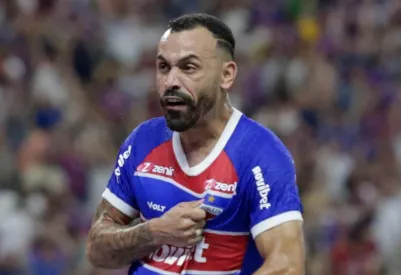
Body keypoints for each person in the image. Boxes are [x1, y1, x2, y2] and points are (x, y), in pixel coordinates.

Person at [86, 13, 305, 275]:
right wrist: (154, 231)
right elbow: (97, 251)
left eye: (188, 67)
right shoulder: (142, 141)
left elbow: (288, 266)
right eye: (164, 67)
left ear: (226, 75)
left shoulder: (261, 154)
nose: (171, 82)